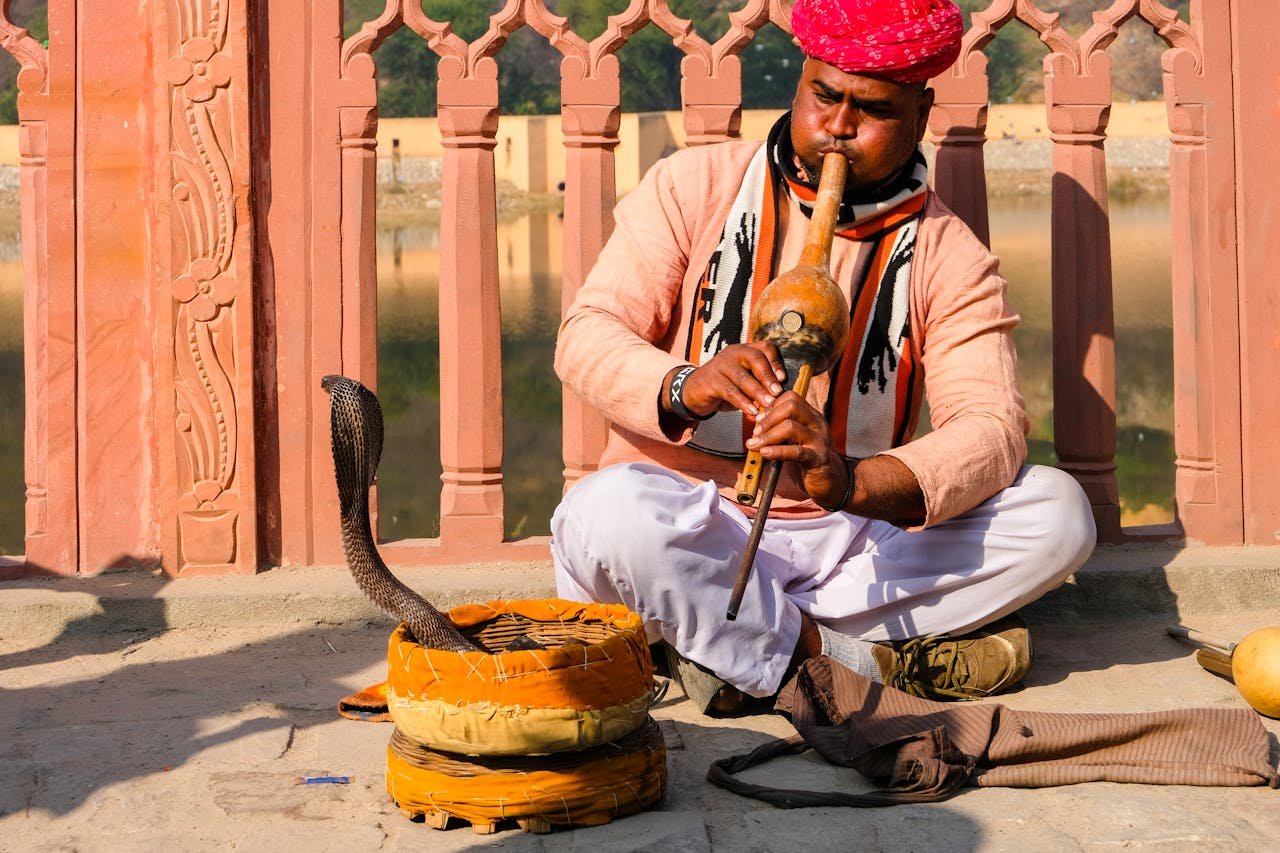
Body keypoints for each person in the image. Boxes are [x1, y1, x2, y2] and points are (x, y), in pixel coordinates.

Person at [551, 0, 1095, 714]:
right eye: (825, 97)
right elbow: (586, 334)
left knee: (1058, 514)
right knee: (604, 516)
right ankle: (842, 658)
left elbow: (991, 426)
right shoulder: (692, 186)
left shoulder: (947, 251)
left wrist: (847, 479)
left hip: (849, 540)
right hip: (694, 522)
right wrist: (688, 383)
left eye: (871, 110)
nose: (839, 127)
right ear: (800, 83)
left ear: (921, 113)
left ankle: (730, 646)